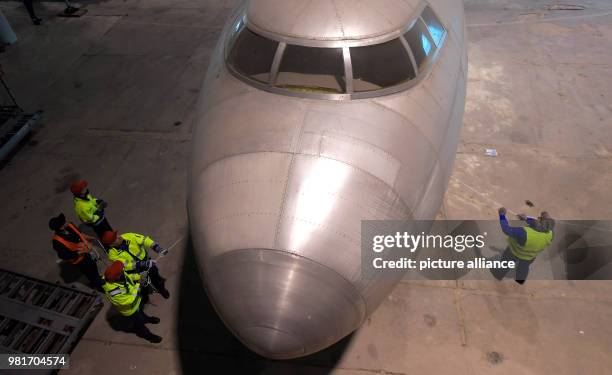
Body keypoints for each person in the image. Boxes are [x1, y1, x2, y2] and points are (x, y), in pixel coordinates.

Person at [102, 261, 162, 343]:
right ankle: (148, 336)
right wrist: (138, 285)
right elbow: (128, 300)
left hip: (136, 303)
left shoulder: (119, 275)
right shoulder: (113, 291)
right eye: (121, 271)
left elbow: (129, 277)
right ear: (116, 277)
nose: (123, 270)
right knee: (139, 324)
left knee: (141, 313)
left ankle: (147, 319)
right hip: (130, 310)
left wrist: (139, 276)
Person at [491, 207, 555, 284]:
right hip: (529, 256)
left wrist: (502, 215)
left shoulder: (524, 233)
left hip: (515, 252)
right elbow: (536, 225)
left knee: (505, 263)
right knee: (523, 267)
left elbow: (506, 229)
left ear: (539, 223)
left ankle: (498, 274)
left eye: (539, 219)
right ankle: (520, 280)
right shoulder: (550, 234)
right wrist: (526, 219)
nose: (537, 218)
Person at [101, 230, 170, 299]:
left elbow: (144, 240)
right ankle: (144, 297)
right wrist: (142, 264)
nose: (119, 237)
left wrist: (157, 248)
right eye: (115, 238)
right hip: (136, 270)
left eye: (116, 235)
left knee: (155, 276)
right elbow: (125, 265)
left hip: (147, 260)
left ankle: (162, 289)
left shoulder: (128, 236)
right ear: (111, 245)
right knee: (142, 285)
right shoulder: (112, 255)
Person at [49, 213, 103, 291]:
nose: (67, 222)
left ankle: (97, 280)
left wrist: (92, 238)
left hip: (87, 253)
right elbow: (64, 256)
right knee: (91, 273)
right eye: (64, 222)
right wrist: (80, 252)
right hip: (80, 260)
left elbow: (80, 234)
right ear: (61, 227)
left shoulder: (70, 226)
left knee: (94, 268)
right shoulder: (57, 242)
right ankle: (100, 287)